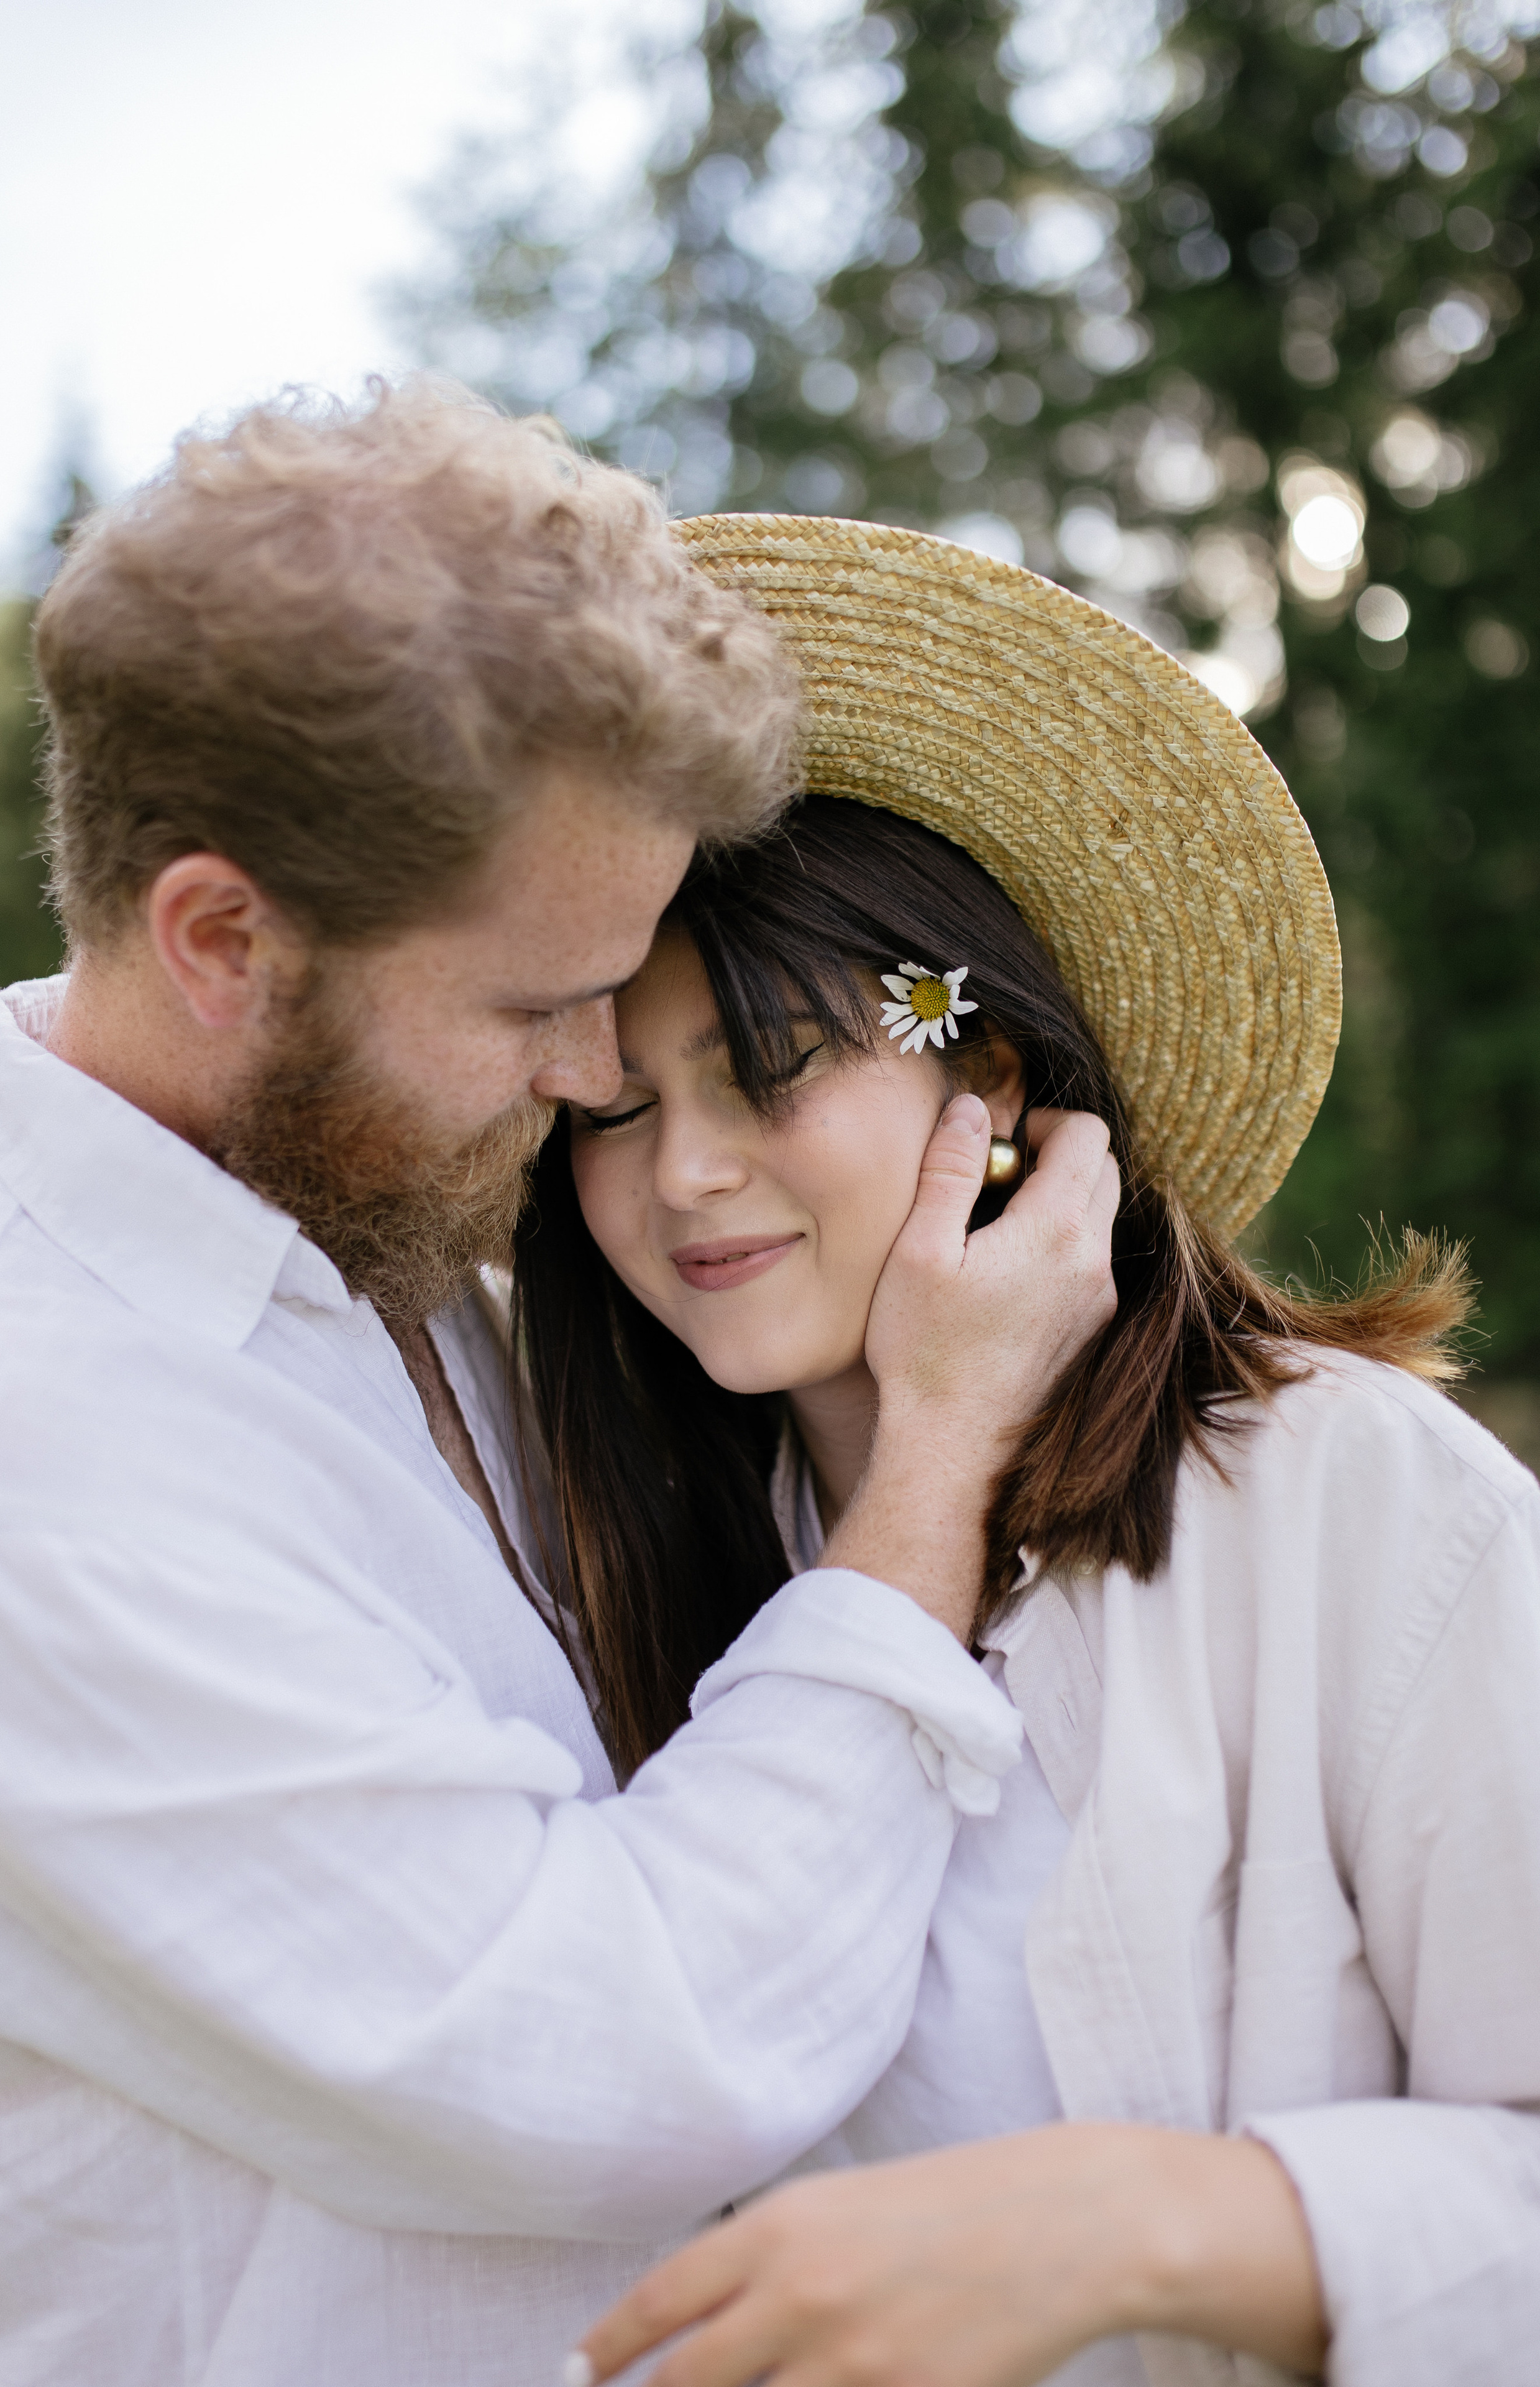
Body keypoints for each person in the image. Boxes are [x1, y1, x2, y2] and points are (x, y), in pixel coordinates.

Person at [0, 394, 1122, 2386]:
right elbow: (621, 2050)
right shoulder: (32, 1456)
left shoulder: (388, 1257)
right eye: (535, 1002)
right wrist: (933, 1462)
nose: (598, 1072)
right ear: (224, 939)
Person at [506, 519, 1540, 2387]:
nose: (683, 1174)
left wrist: (1132, 2227)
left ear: (986, 1093)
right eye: (621, 1109)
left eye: (771, 1067)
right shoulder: (620, 1572)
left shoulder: (1358, 1504)